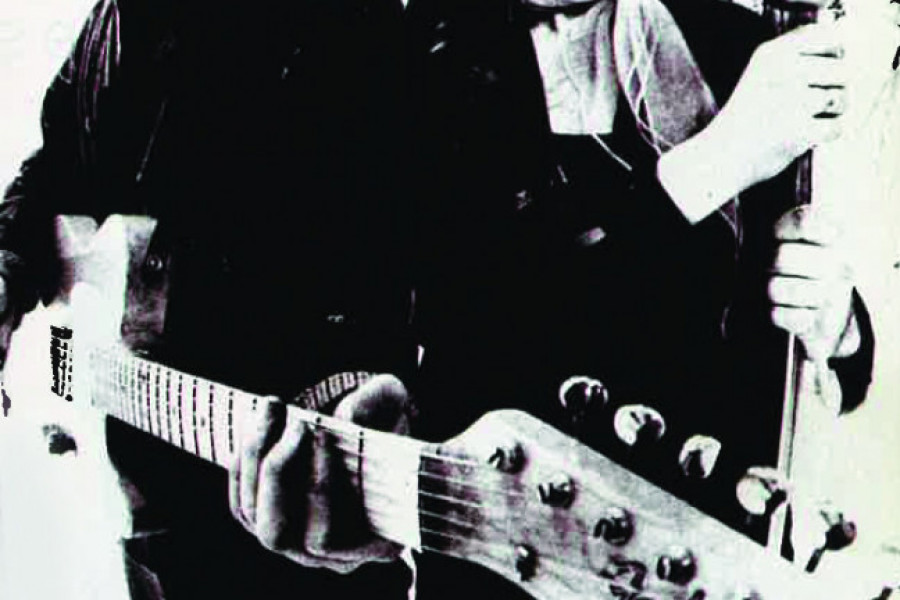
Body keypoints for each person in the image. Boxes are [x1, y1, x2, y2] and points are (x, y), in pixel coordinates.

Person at [405, 0, 875, 596]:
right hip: (515, 567)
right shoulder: (414, 57)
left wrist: (834, 324)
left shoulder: (738, 43)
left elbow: (797, 364)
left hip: (712, 563)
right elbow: (490, 326)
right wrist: (716, 161)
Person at [0, 0, 419, 598]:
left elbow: (410, 257)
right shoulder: (111, 21)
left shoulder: (345, 24)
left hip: (282, 524)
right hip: (147, 512)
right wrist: (9, 263)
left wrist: (360, 397)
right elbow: (53, 167)